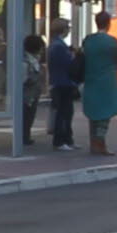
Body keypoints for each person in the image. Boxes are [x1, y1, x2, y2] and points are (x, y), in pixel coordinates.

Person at [76, 12, 117, 157]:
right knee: (105, 114)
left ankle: (94, 142)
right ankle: (100, 143)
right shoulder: (112, 42)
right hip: (107, 81)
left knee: (94, 113)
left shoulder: (88, 40)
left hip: (91, 79)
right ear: (108, 23)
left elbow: (82, 58)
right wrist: (111, 70)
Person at [44, 20, 82, 152]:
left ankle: (67, 139)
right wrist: (75, 56)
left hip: (61, 82)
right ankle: (60, 140)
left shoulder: (57, 45)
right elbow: (68, 64)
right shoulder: (58, 46)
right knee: (63, 113)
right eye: (68, 28)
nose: (69, 30)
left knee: (67, 112)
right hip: (62, 83)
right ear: (63, 30)